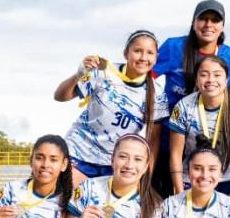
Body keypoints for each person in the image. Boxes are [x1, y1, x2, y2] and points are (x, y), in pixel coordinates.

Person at [152, 0, 230, 194]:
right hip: (170, 142)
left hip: (210, 146)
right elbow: (144, 74)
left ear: (222, 27)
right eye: (203, 19)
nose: (208, 25)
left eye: (215, 20)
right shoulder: (174, 47)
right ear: (193, 23)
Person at [53, 30, 170, 183]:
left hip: (114, 163)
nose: (143, 57)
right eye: (137, 51)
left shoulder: (158, 93)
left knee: (99, 207)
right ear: (126, 53)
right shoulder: (103, 73)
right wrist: (78, 75)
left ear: (156, 58)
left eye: (150, 53)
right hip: (79, 152)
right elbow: (60, 96)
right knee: (68, 203)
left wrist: (145, 177)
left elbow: (153, 139)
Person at [167, 55, 230, 195]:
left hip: (229, 178)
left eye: (217, 75)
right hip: (193, 177)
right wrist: (179, 193)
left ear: (226, 79)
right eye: (204, 75)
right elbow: (175, 154)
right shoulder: (183, 107)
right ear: (197, 80)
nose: (210, 80)